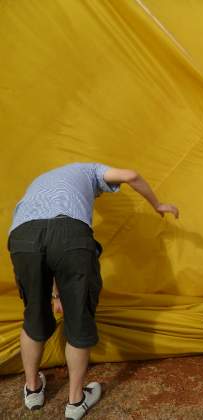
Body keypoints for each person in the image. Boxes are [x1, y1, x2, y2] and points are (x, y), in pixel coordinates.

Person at [7, 163, 179, 419]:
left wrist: (55, 295)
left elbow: (44, 238)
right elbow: (131, 175)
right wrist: (158, 204)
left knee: (33, 315)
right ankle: (76, 402)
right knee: (78, 319)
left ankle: (32, 390)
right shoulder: (90, 170)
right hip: (69, 235)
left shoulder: (40, 181)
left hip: (23, 236)